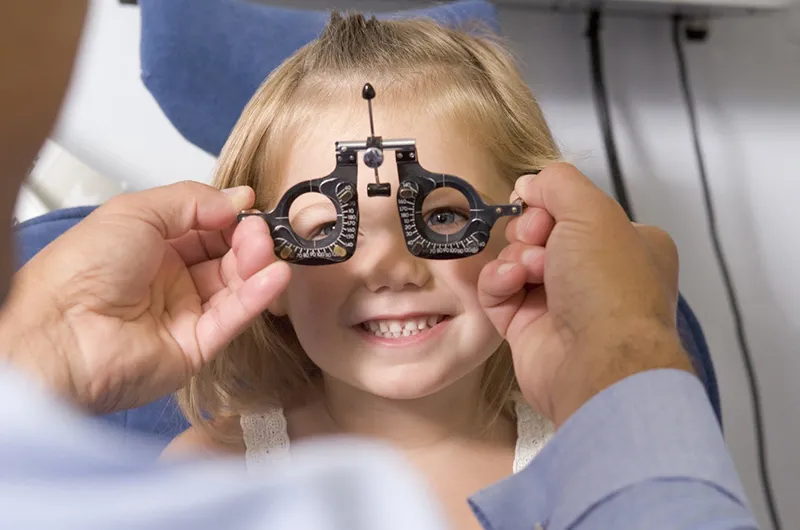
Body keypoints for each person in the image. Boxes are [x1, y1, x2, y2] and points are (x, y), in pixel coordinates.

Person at [0, 1, 760, 529]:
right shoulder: (216, 466)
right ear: (260, 263)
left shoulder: (584, 456)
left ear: (524, 236)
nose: (391, 265)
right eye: (330, 226)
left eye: (442, 217)